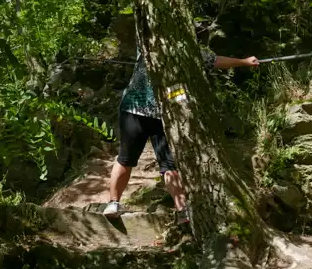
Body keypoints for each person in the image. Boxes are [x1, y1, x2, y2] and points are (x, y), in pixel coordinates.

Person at [103, 47, 259, 220]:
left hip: (162, 114)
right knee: (127, 159)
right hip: (135, 110)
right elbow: (214, 61)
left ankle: (182, 209)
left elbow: (214, 61)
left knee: (167, 164)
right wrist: (244, 62)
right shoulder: (152, 41)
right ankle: (114, 203)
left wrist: (244, 62)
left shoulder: (180, 46)